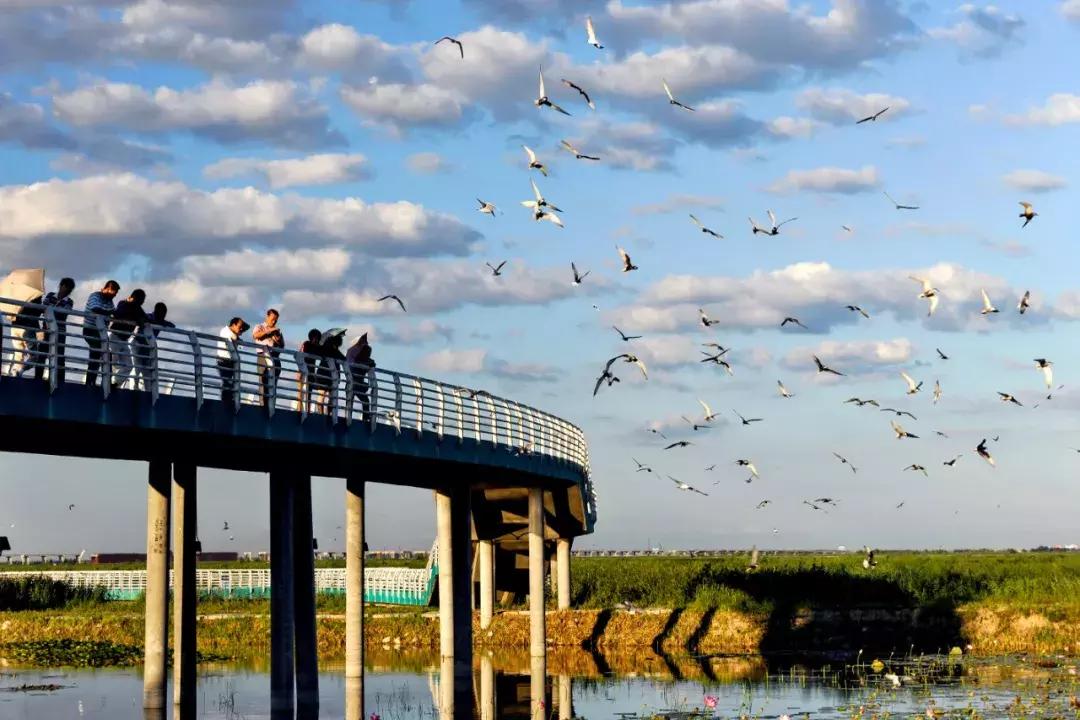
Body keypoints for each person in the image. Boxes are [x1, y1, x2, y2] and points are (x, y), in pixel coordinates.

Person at [34, 278, 76, 383]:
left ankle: (58, 380)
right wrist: (53, 310)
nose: (67, 290)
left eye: (69, 289)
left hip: (60, 331)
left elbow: (64, 313)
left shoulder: (69, 302)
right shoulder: (50, 295)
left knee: (59, 356)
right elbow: (44, 308)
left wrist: (51, 309)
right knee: (42, 354)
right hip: (46, 329)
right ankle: (37, 378)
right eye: (66, 287)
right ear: (61, 286)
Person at [82, 280, 120, 388]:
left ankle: (103, 383)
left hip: (101, 333)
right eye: (114, 292)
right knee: (97, 353)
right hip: (90, 330)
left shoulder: (109, 302)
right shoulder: (95, 296)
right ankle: (90, 383)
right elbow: (95, 309)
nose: (114, 295)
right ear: (107, 289)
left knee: (106, 356)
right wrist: (111, 313)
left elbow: (114, 313)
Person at [109, 289, 148, 390]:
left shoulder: (137, 308)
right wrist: (138, 317)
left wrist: (141, 318)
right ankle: (102, 381)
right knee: (110, 362)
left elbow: (146, 318)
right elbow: (118, 313)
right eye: (141, 300)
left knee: (128, 366)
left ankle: (114, 384)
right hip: (114, 336)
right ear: (136, 298)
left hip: (124, 340)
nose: (142, 302)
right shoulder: (124, 304)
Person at [135, 302, 175, 390]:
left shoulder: (162, 321)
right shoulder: (148, 317)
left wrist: (164, 323)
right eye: (162, 313)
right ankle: (135, 388)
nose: (163, 315)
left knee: (147, 371)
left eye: (165, 313)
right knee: (136, 368)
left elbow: (173, 326)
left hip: (149, 348)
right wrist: (155, 322)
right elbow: (141, 319)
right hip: (138, 344)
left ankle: (148, 391)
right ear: (157, 311)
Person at [252, 309, 285, 408]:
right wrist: (269, 331)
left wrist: (277, 337)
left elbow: (282, 346)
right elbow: (256, 336)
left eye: (276, 320)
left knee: (273, 384)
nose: (274, 322)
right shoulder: (259, 326)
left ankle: (271, 406)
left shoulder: (277, 330)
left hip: (275, 357)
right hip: (263, 356)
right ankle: (263, 406)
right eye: (272, 319)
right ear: (267, 316)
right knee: (263, 382)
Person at [217, 316, 249, 408]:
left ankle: (229, 400)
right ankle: (226, 402)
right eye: (240, 326)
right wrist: (238, 337)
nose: (242, 328)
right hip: (224, 360)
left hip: (230, 361)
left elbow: (246, 328)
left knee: (230, 382)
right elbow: (234, 339)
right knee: (227, 382)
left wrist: (240, 330)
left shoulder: (232, 332)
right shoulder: (226, 331)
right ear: (233, 324)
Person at [9, 293, 43, 377]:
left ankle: (15, 372)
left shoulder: (19, 295)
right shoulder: (36, 296)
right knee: (34, 356)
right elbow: (37, 312)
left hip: (14, 327)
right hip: (27, 328)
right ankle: (21, 370)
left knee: (18, 355)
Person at [346, 333, 376, 422]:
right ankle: (365, 418)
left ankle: (349, 418)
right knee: (365, 401)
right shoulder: (365, 361)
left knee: (350, 401)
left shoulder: (356, 358)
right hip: (357, 383)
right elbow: (370, 367)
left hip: (352, 382)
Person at [315, 329, 346, 415]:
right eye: (340, 336)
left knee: (325, 394)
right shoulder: (329, 346)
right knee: (325, 394)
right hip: (326, 372)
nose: (341, 339)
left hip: (327, 372)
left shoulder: (333, 347)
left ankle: (323, 413)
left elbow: (341, 357)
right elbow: (341, 357)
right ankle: (325, 413)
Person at [297, 328, 322, 413]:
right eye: (316, 338)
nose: (317, 340)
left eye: (318, 338)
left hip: (311, 372)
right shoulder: (306, 344)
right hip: (303, 371)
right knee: (301, 393)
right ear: (312, 337)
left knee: (309, 393)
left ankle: (307, 411)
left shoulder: (317, 347)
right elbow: (302, 355)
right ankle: (299, 411)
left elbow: (321, 354)